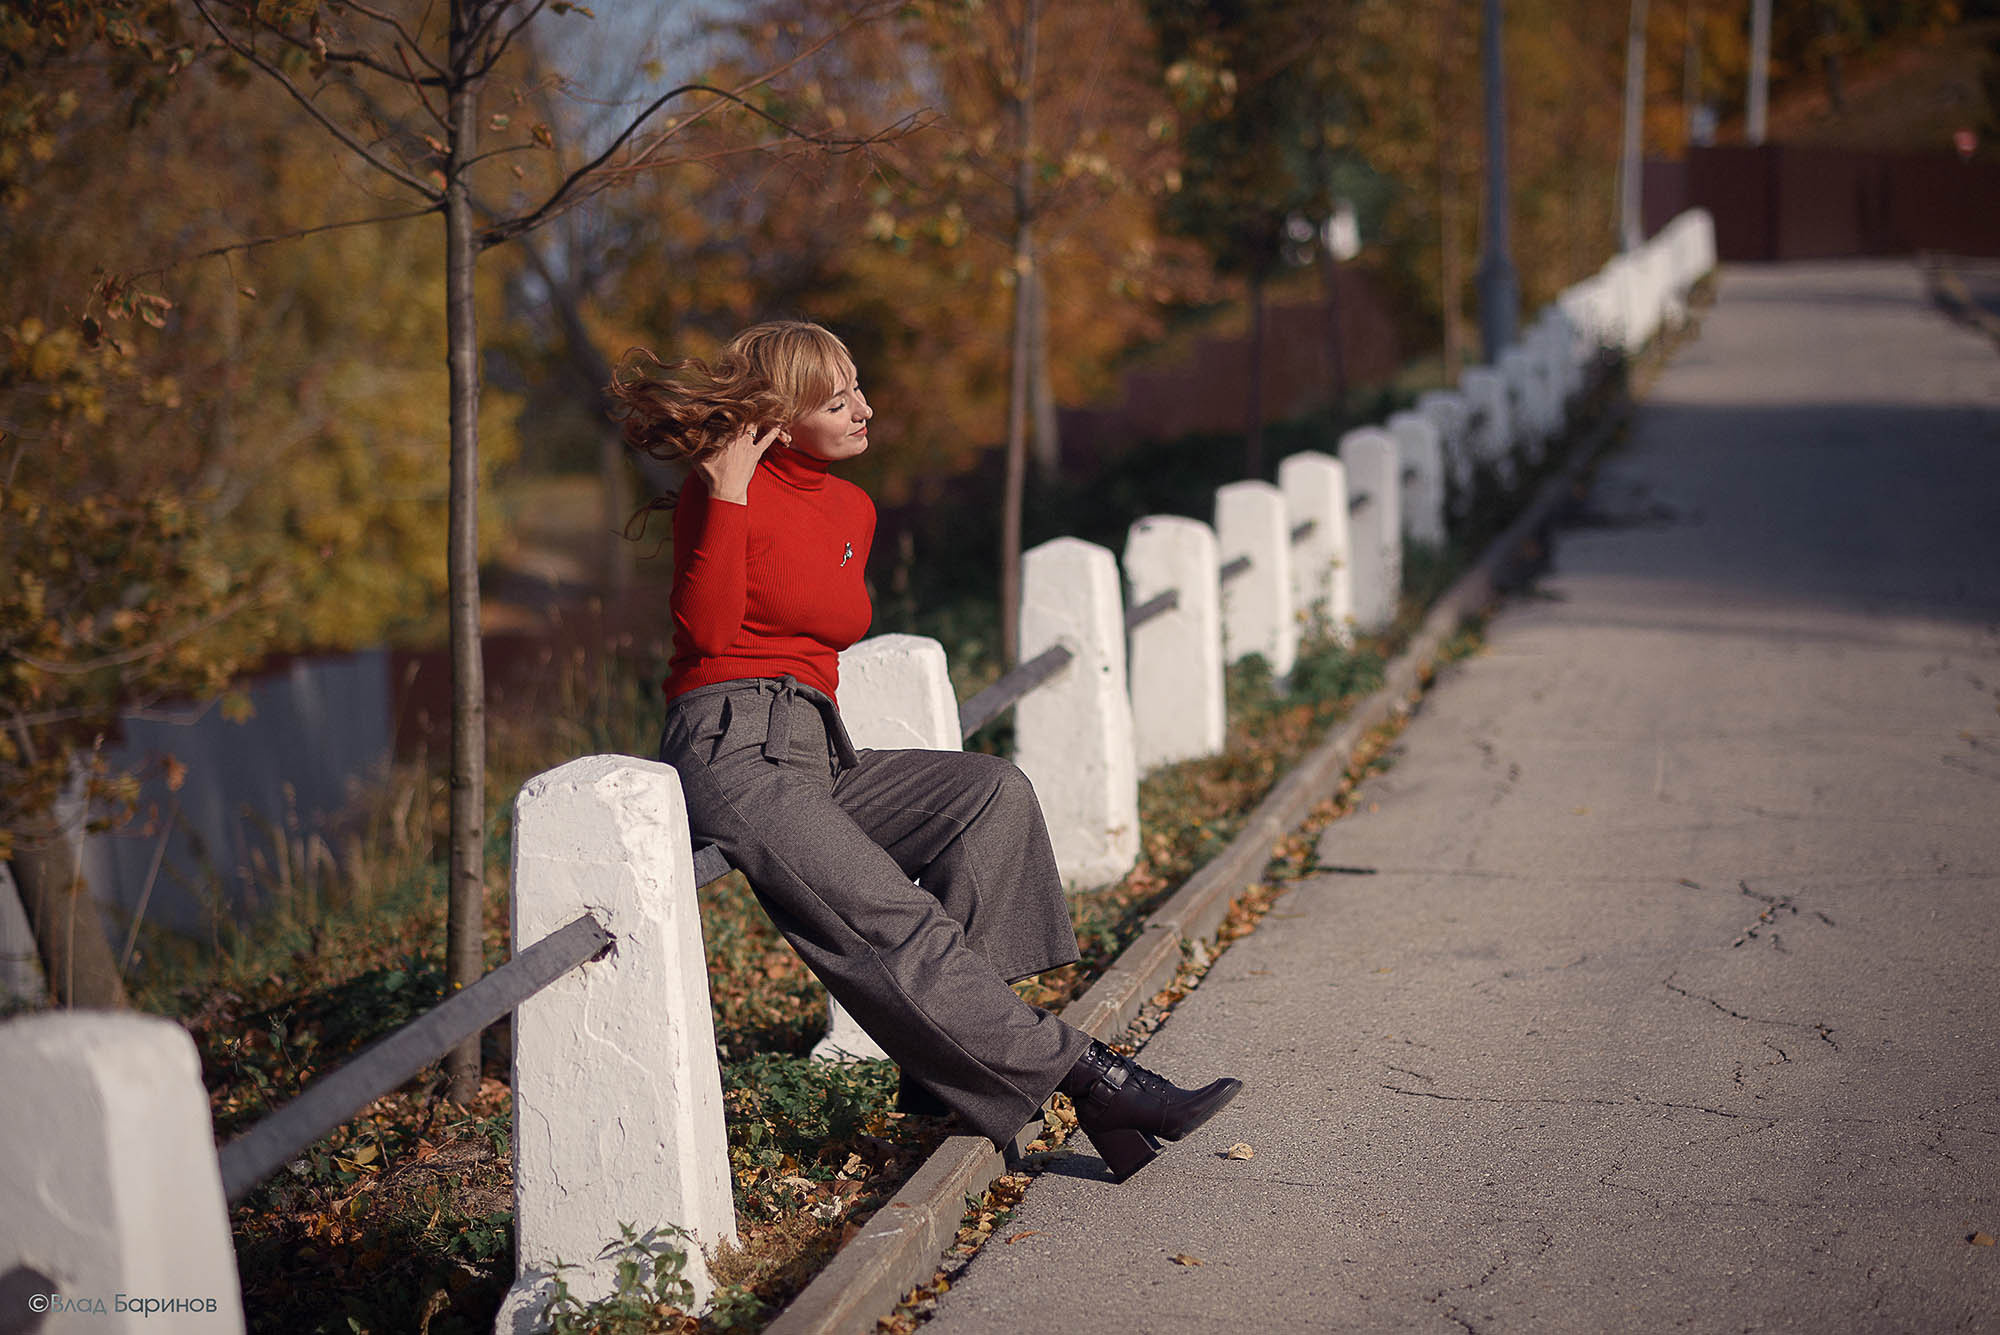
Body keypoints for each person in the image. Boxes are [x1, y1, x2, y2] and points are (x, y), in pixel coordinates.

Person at [607, 320, 1240, 1182]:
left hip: (817, 745)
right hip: (731, 745)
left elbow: (821, 625)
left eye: (860, 388)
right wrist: (725, 491)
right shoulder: (723, 493)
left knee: (990, 795)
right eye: (839, 401)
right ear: (783, 420)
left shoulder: (852, 507)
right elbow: (707, 632)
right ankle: (1098, 1082)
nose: (866, 409)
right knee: (891, 921)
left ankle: (942, 1069)